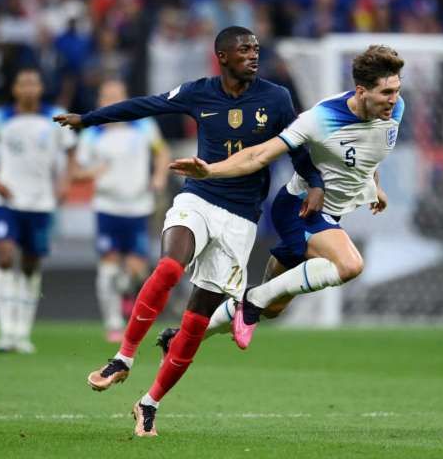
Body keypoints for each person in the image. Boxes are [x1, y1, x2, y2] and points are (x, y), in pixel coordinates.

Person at [53, 26, 324, 437]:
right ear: (222, 56)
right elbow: (147, 104)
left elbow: (298, 145)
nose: (253, 55)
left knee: (195, 323)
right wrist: (89, 119)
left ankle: (149, 404)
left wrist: (316, 182)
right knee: (167, 268)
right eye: (244, 49)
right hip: (198, 198)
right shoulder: (199, 92)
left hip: (242, 218)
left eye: (256, 49)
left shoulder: (277, 97)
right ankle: (123, 358)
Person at [169, 44, 405, 350]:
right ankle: (250, 301)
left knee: (275, 307)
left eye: (397, 90)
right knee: (349, 265)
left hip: (330, 215)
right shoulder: (321, 119)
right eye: (386, 92)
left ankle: (182, 338)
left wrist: (375, 185)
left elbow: (367, 152)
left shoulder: (394, 110)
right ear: (361, 91)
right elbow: (259, 155)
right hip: (301, 208)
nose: (394, 99)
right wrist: (210, 171)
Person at [0, 68, 78, 353]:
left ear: (41, 87)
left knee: (31, 264)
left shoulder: (55, 115)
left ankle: (23, 331)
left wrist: (65, 183)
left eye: (34, 83)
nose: (30, 88)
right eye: (24, 83)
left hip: (41, 202)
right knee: (5, 257)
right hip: (6, 201)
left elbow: (71, 152)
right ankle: (6, 330)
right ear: (15, 89)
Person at [74, 79, 171, 343]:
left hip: (138, 207)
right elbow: (76, 172)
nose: (113, 101)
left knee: (136, 271)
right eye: (108, 96)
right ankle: (113, 324)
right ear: (100, 101)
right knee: (107, 267)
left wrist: (159, 176)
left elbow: (162, 153)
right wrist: (91, 172)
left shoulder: (144, 125)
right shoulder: (91, 132)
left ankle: (126, 293)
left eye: (118, 96)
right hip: (107, 207)